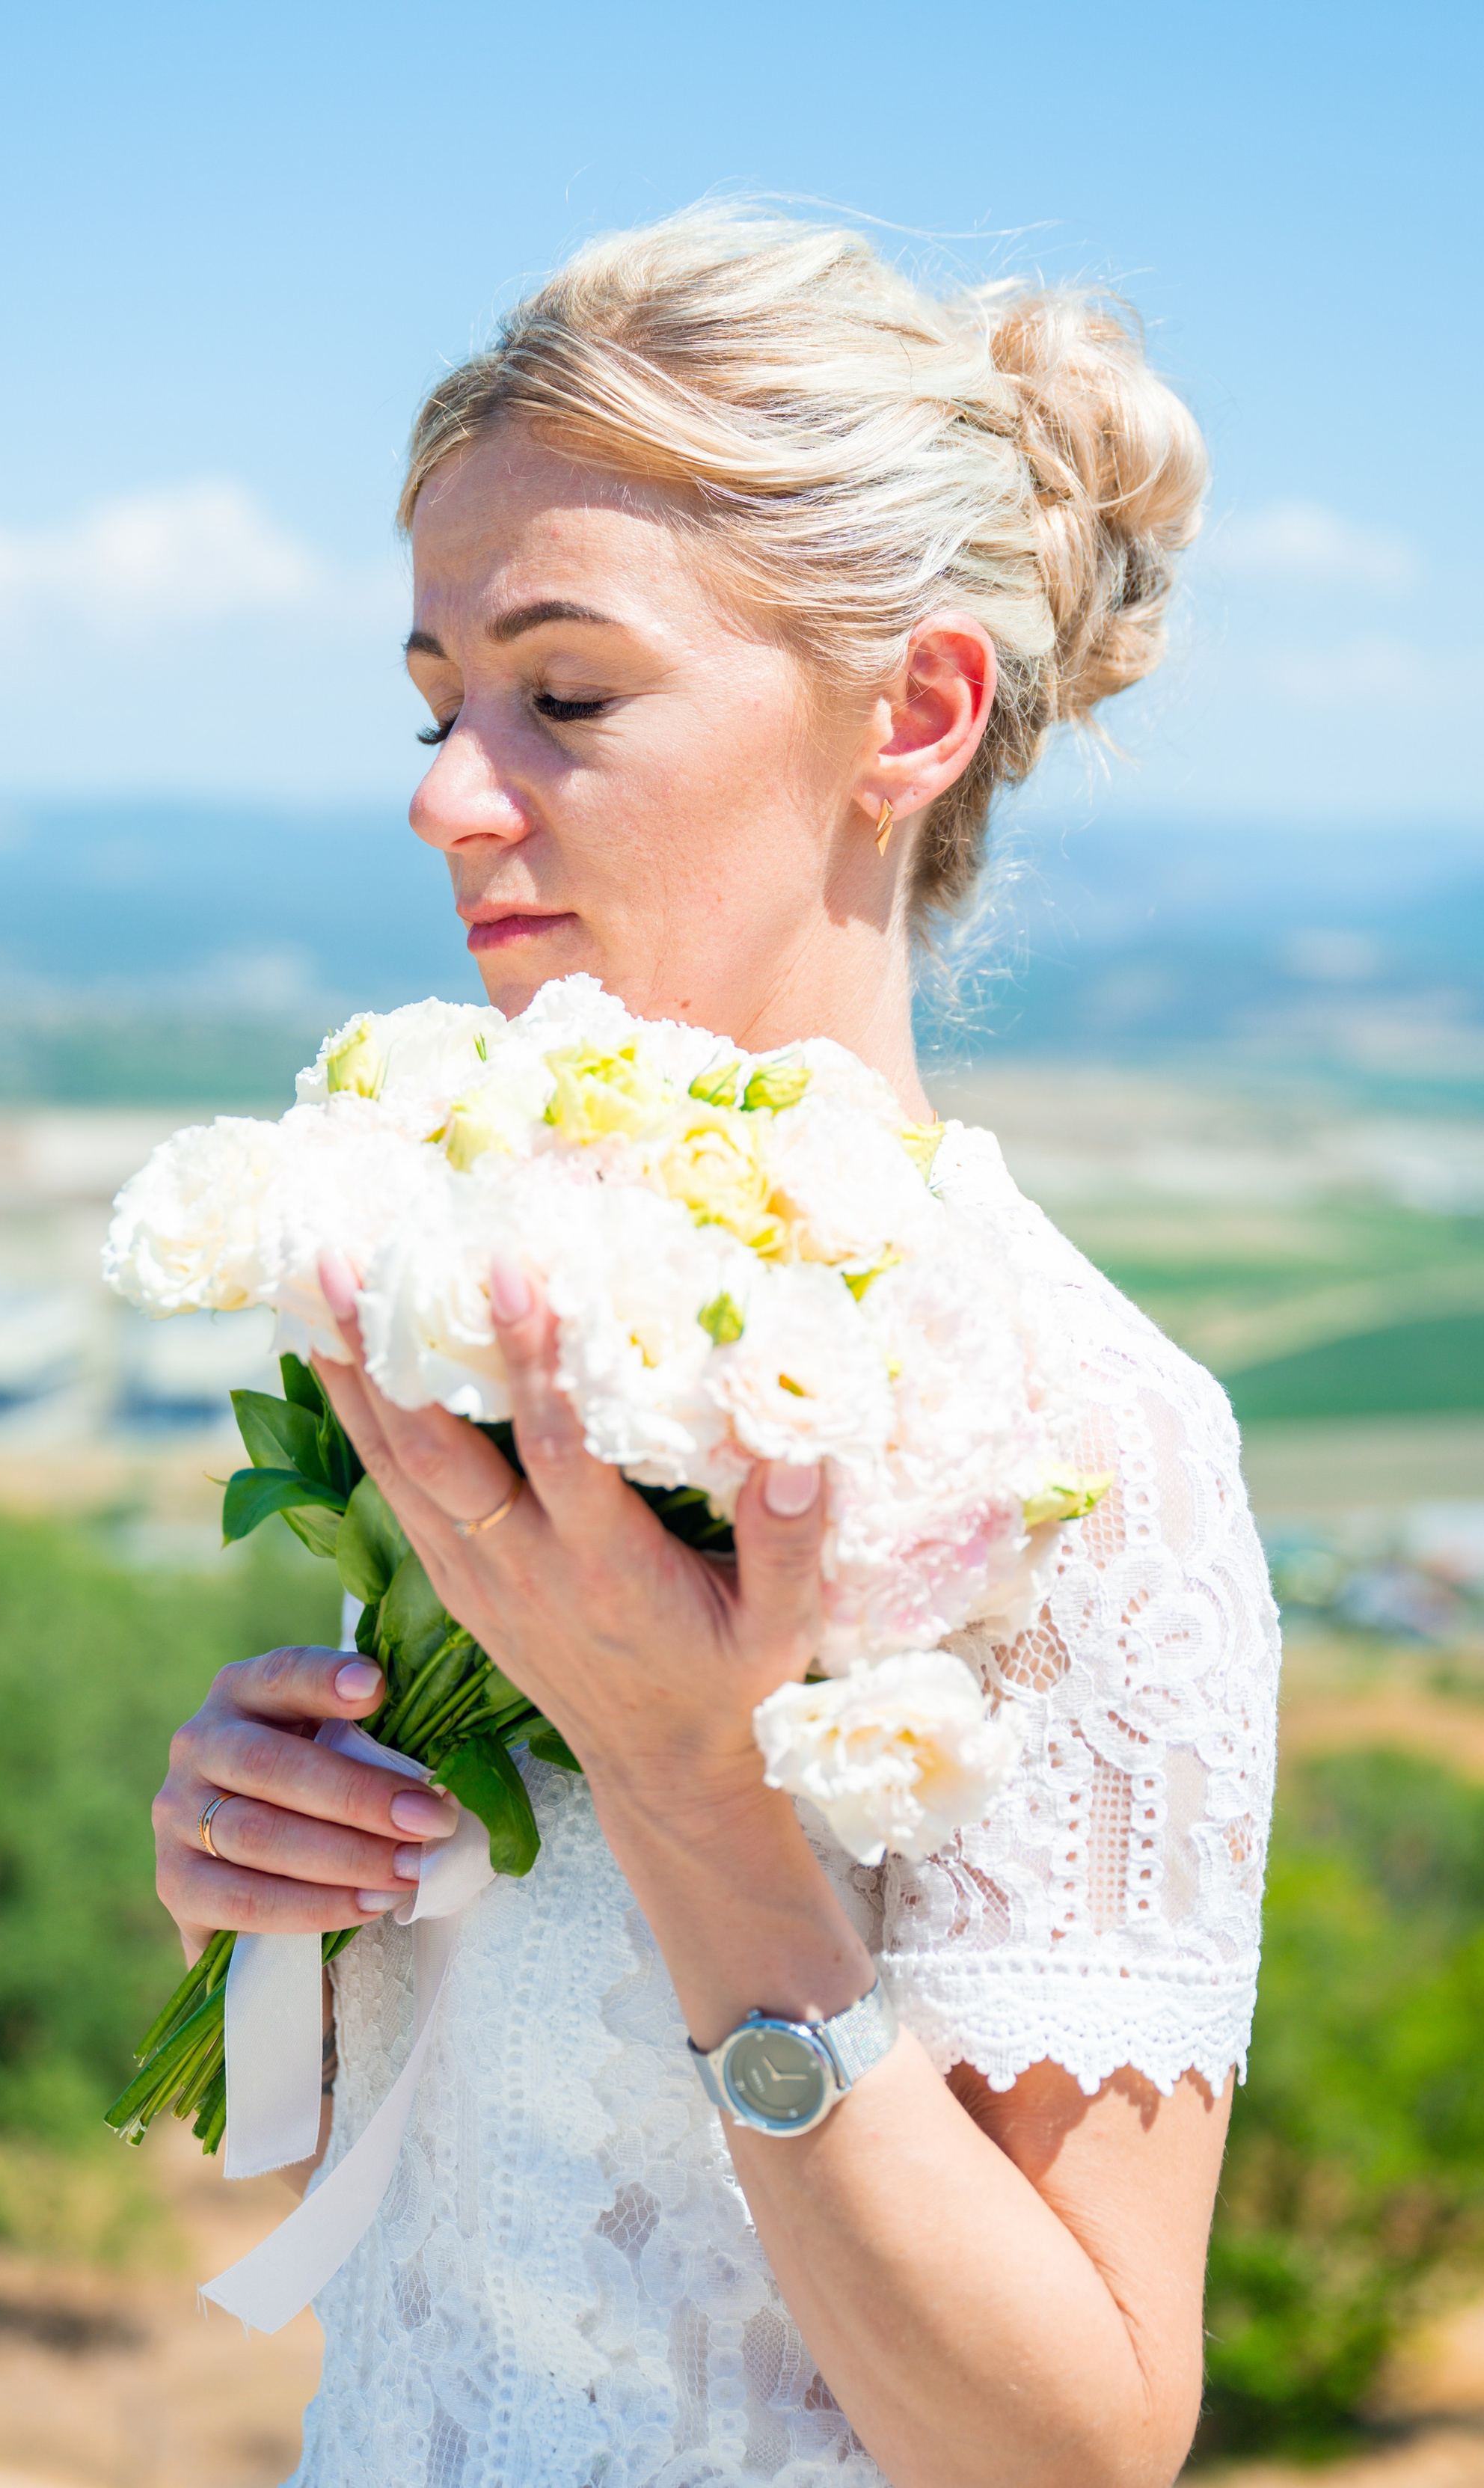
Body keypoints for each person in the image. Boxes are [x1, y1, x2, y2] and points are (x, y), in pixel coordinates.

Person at [152, 208, 1279, 2488]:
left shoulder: (1098, 1447)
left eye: (563, 696)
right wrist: (281, 1895)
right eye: (438, 700)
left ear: (919, 715)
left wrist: (692, 1799)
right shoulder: (517, 1311)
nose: (448, 795)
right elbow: (475, 2230)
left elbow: (1075, 2446)